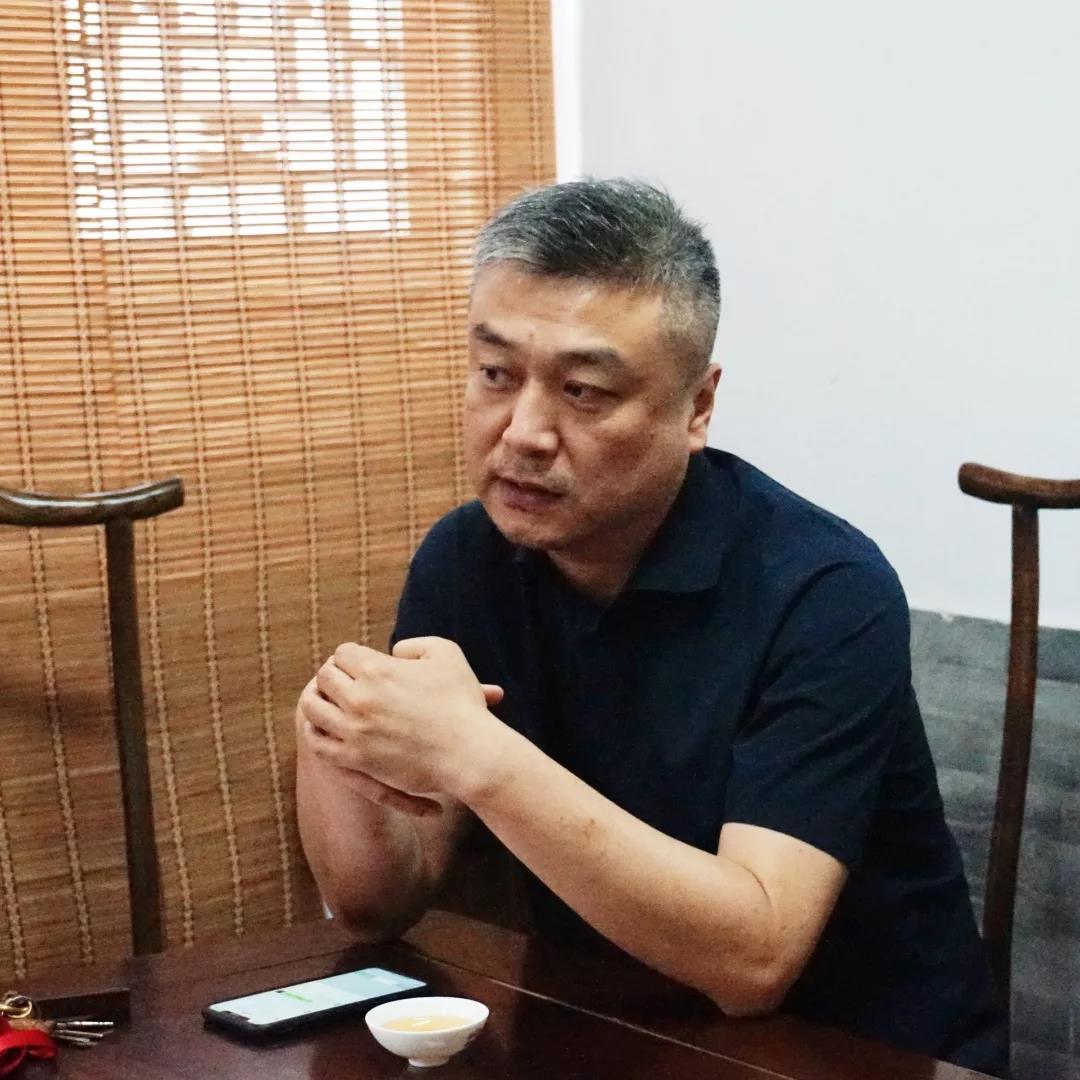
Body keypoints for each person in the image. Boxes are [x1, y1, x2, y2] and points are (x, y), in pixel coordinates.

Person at [295, 179, 1008, 1075]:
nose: (523, 432)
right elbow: (376, 906)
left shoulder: (826, 590)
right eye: (495, 375)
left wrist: (479, 755)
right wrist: (337, 739)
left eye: (584, 391)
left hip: (864, 1056)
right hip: (616, 1037)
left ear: (697, 407)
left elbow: (754, 960)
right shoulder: (468, 558)